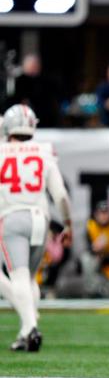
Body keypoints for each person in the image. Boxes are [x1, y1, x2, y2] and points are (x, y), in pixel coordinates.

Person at [0, 104, 72, 351]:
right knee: (29, 278)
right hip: (40, 219)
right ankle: (25, 328)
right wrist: (68, 224)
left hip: (11, 217)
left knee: (18, 275)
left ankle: (30, 326)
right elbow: (61, 195)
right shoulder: (44, 151)